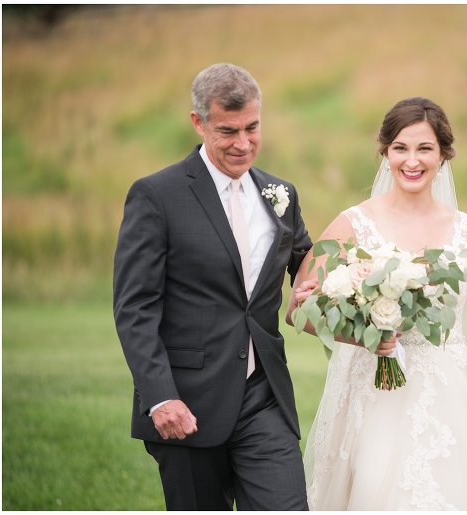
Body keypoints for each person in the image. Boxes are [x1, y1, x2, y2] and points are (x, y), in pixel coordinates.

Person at [286, 97, 467, 510]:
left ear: (444, 155)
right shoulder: (353, 224)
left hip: (450, 396)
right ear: (385, 152)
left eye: (425, 148)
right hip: (373, 392)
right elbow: (297, 309)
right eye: (401, 148)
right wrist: (362, 337)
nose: (412, 161)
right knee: (377, 487)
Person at [113, 63, 312, 510]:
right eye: (228, 131)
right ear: (198, 123)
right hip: (187, 403)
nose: (243, 144)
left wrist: (372, 305)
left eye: (252, 127)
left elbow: (311, 279)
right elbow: (135, 307)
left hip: (264, 397)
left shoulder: (281, 194)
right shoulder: (156, 195)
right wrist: (160, 395)